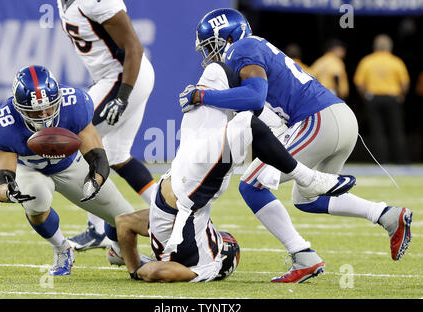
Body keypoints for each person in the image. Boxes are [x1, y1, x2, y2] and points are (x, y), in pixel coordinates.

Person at [180, 9, 413, 277]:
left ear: (228, 37)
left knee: (252, 185)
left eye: (212, 46)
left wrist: (202, 96)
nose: (210, 55)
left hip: (318, 120)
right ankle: (386, 215)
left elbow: (255, 97)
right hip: (338, 118)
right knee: (308, 198)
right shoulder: (254, 47)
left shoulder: (241, 48)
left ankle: (303, 255)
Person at [114, 61, 356, 283]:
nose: (216, 232)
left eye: (219, 237)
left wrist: (139, 271)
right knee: (231, 97)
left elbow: (135, 241)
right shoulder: (186, 245)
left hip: (189, 181)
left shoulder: (210, 263)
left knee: (231, 99)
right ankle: (295, 155)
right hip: (189, 183)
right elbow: (129, 231)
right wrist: (139, 269)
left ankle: (300, 166)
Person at [0, 65, 137, 276]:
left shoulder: (74, 103)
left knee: (125, 217)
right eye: (35, 111)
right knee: (34, 198)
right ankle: (61, 248)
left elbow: (98, 157)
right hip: (31, 170)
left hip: (70, 164)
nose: (44, 115)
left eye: (49, 108)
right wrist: (9, 193)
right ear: (18, 107)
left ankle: (118, 250)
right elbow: (1, 179)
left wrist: (96, 179)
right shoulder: (3, 123)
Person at [57, 0, 156, 252]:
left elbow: (134, 46)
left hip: (123, 78)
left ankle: (100, 229)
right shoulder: (63, 3)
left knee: (81, 145)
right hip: (115, 77)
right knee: (115, 156)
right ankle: (167, 210)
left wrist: (123, 95)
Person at [354, 34, 410, 164]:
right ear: (390, 47)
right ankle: (400, 160)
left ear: (375, 47)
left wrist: (366, 96)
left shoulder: (367, 61)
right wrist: (401, 95)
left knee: (377, 130)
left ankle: (380, 161)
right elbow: (405, 83)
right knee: (397, 129)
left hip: (373, 98)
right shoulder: (396, 62)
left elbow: (359, 83)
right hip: (393, 98)